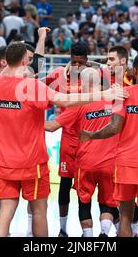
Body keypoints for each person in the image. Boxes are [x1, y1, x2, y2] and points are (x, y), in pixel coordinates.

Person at [0, 40, 127, 237]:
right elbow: (64, 101)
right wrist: (104, 93)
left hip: (4, 159)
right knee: (39, 211)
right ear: (26, 59)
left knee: (6, 211)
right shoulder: (32, 86)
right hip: (31, 160)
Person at [80, 54, 138, 237]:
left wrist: (92, 135)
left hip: (125, 163)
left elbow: (114, 128)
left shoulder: (123, 94)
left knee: (125, 216)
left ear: (135, 71)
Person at [44, 68, 120, 237]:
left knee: (84, 202)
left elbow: (51, 127)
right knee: (108, 202)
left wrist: (24, 119)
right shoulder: (115, 99)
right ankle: (105, 234)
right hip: (110, 162)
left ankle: (88, 236)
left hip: (86, 162)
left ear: (83, 84)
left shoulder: (78, 104)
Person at [45, 43, 88, 237]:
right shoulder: (58, 74)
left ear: (87, 60)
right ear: (70, 58)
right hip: (68, 138)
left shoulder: (95, 78)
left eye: (81, 61)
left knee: (84, 188)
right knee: (64, 184)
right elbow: (37, 85)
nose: (77, 64)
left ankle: (87, 232)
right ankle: (62, 229)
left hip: (89, 140)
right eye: (74, 60)